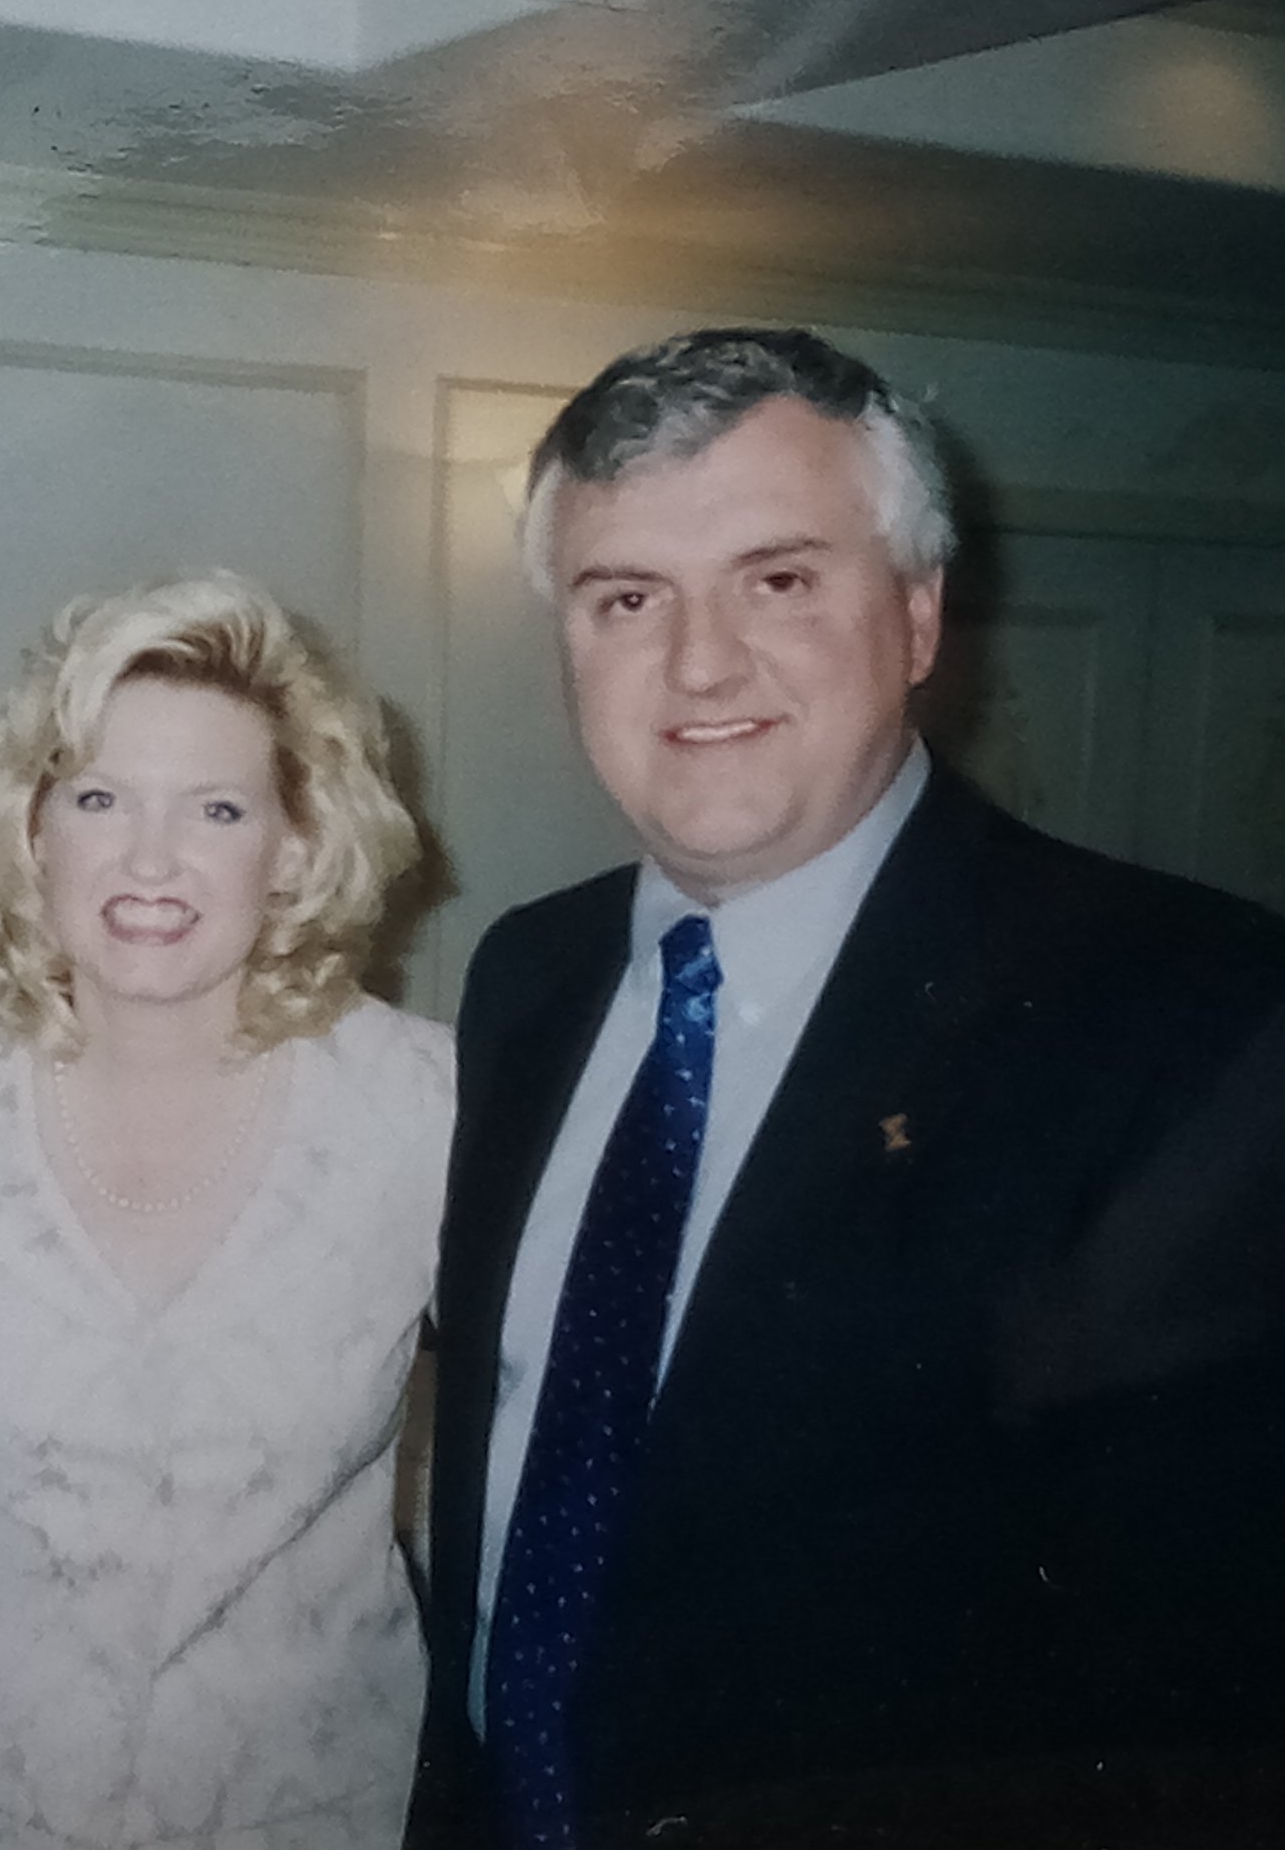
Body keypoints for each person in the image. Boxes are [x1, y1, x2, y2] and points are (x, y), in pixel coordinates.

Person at [408, 327, 1285, 1848]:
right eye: (628, 597)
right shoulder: (524, 978)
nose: (698, 661)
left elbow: (1205, 1682)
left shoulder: (1185, 1012)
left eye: (780, 578)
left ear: (923, 613)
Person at [0, 573, 456, 1850]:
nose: (149, 858)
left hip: (321, 1810)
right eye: (97, 798)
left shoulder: (427, 1109)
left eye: (217, 808)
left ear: (294, 843)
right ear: (32, 830)